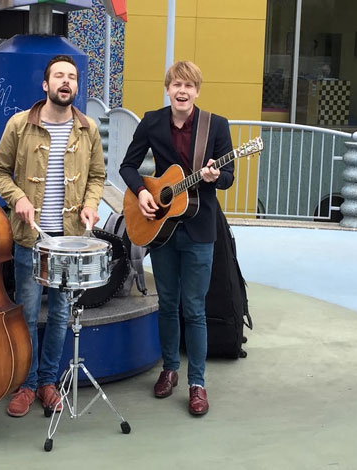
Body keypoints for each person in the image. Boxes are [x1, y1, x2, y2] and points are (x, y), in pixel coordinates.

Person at [0, 55, 106, 417]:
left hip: (68, 241)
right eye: (59, 75)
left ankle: (48, 383)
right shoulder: (20, 124)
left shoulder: (88, 129)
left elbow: (97, 176)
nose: (66, 82)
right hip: (30, 238)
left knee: (59, 315)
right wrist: (19, 197)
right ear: (45, 85)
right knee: (26, 312)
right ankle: (25, 385)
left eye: (72, 76)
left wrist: (89, 204)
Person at [118, 61, 234, 416]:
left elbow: (229, 177)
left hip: (199, 230)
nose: (182, 91)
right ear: (168, 89)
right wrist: (141, 193)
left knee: (194, 308)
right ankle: (170, 369)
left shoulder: (216, 126)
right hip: (161, 228)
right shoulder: (153, 121)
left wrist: (215, 177)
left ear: (197, 91)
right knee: (167, 303)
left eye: (189, 86)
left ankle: (197, 383)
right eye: (176, 85)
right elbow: (127, 166)